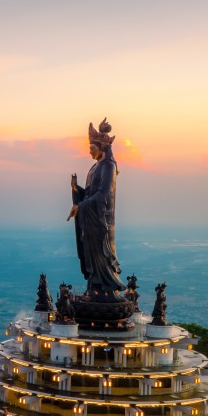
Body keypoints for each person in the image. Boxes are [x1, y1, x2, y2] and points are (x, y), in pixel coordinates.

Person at [67, 119, 125, 298]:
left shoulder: (109, 166)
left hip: (100, 218)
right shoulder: (94, 167)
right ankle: (94, 285)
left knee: (100, 252)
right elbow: (91, 193)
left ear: (101, 147)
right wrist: (78, 190)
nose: (90, 151)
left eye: (92, 148)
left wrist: (80, 205)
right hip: (90, 217)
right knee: (90, 251)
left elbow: (102, 194)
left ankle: (106, 286)